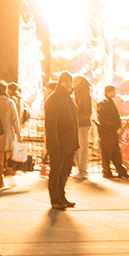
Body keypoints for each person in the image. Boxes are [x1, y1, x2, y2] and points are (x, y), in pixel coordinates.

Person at [45, 71, 79, 210]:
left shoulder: (69, 98)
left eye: (71, 82)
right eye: (67, 82)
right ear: (61, 83)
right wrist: (54, 144)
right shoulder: (53, 99)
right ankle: (55, 199)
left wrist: (75, 142)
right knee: (56, 172)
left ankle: (61, 196)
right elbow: (51, 124)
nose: (70, 85)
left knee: (65, 171)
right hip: (59, 143)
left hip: (69, 143)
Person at [96, 85, 129, 179]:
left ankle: (118, 170)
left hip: (110, 131)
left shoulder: (106, 102)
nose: (115, 93)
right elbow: (106, 119)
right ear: (108, 92)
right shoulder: (104, 103)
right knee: (108, 152)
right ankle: (109, 171)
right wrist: (116, 128)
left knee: (114, 151)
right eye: (113, 91)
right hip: (108, 132)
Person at [0, 81, 20, 188]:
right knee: (7, 154)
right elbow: (15, 120)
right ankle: (6, 171)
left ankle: (0, 177)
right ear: (6, 90)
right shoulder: (10, 102)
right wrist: (18, 134)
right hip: (8, 132)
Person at [72, 76, 92, 181]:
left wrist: (78, 119)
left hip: (82, 123)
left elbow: (87, 111)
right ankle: (81, 169)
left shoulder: (84, 93)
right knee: (78, 147)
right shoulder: (77, 92)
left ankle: (82, 170)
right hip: (78, 123)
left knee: (82, 147)